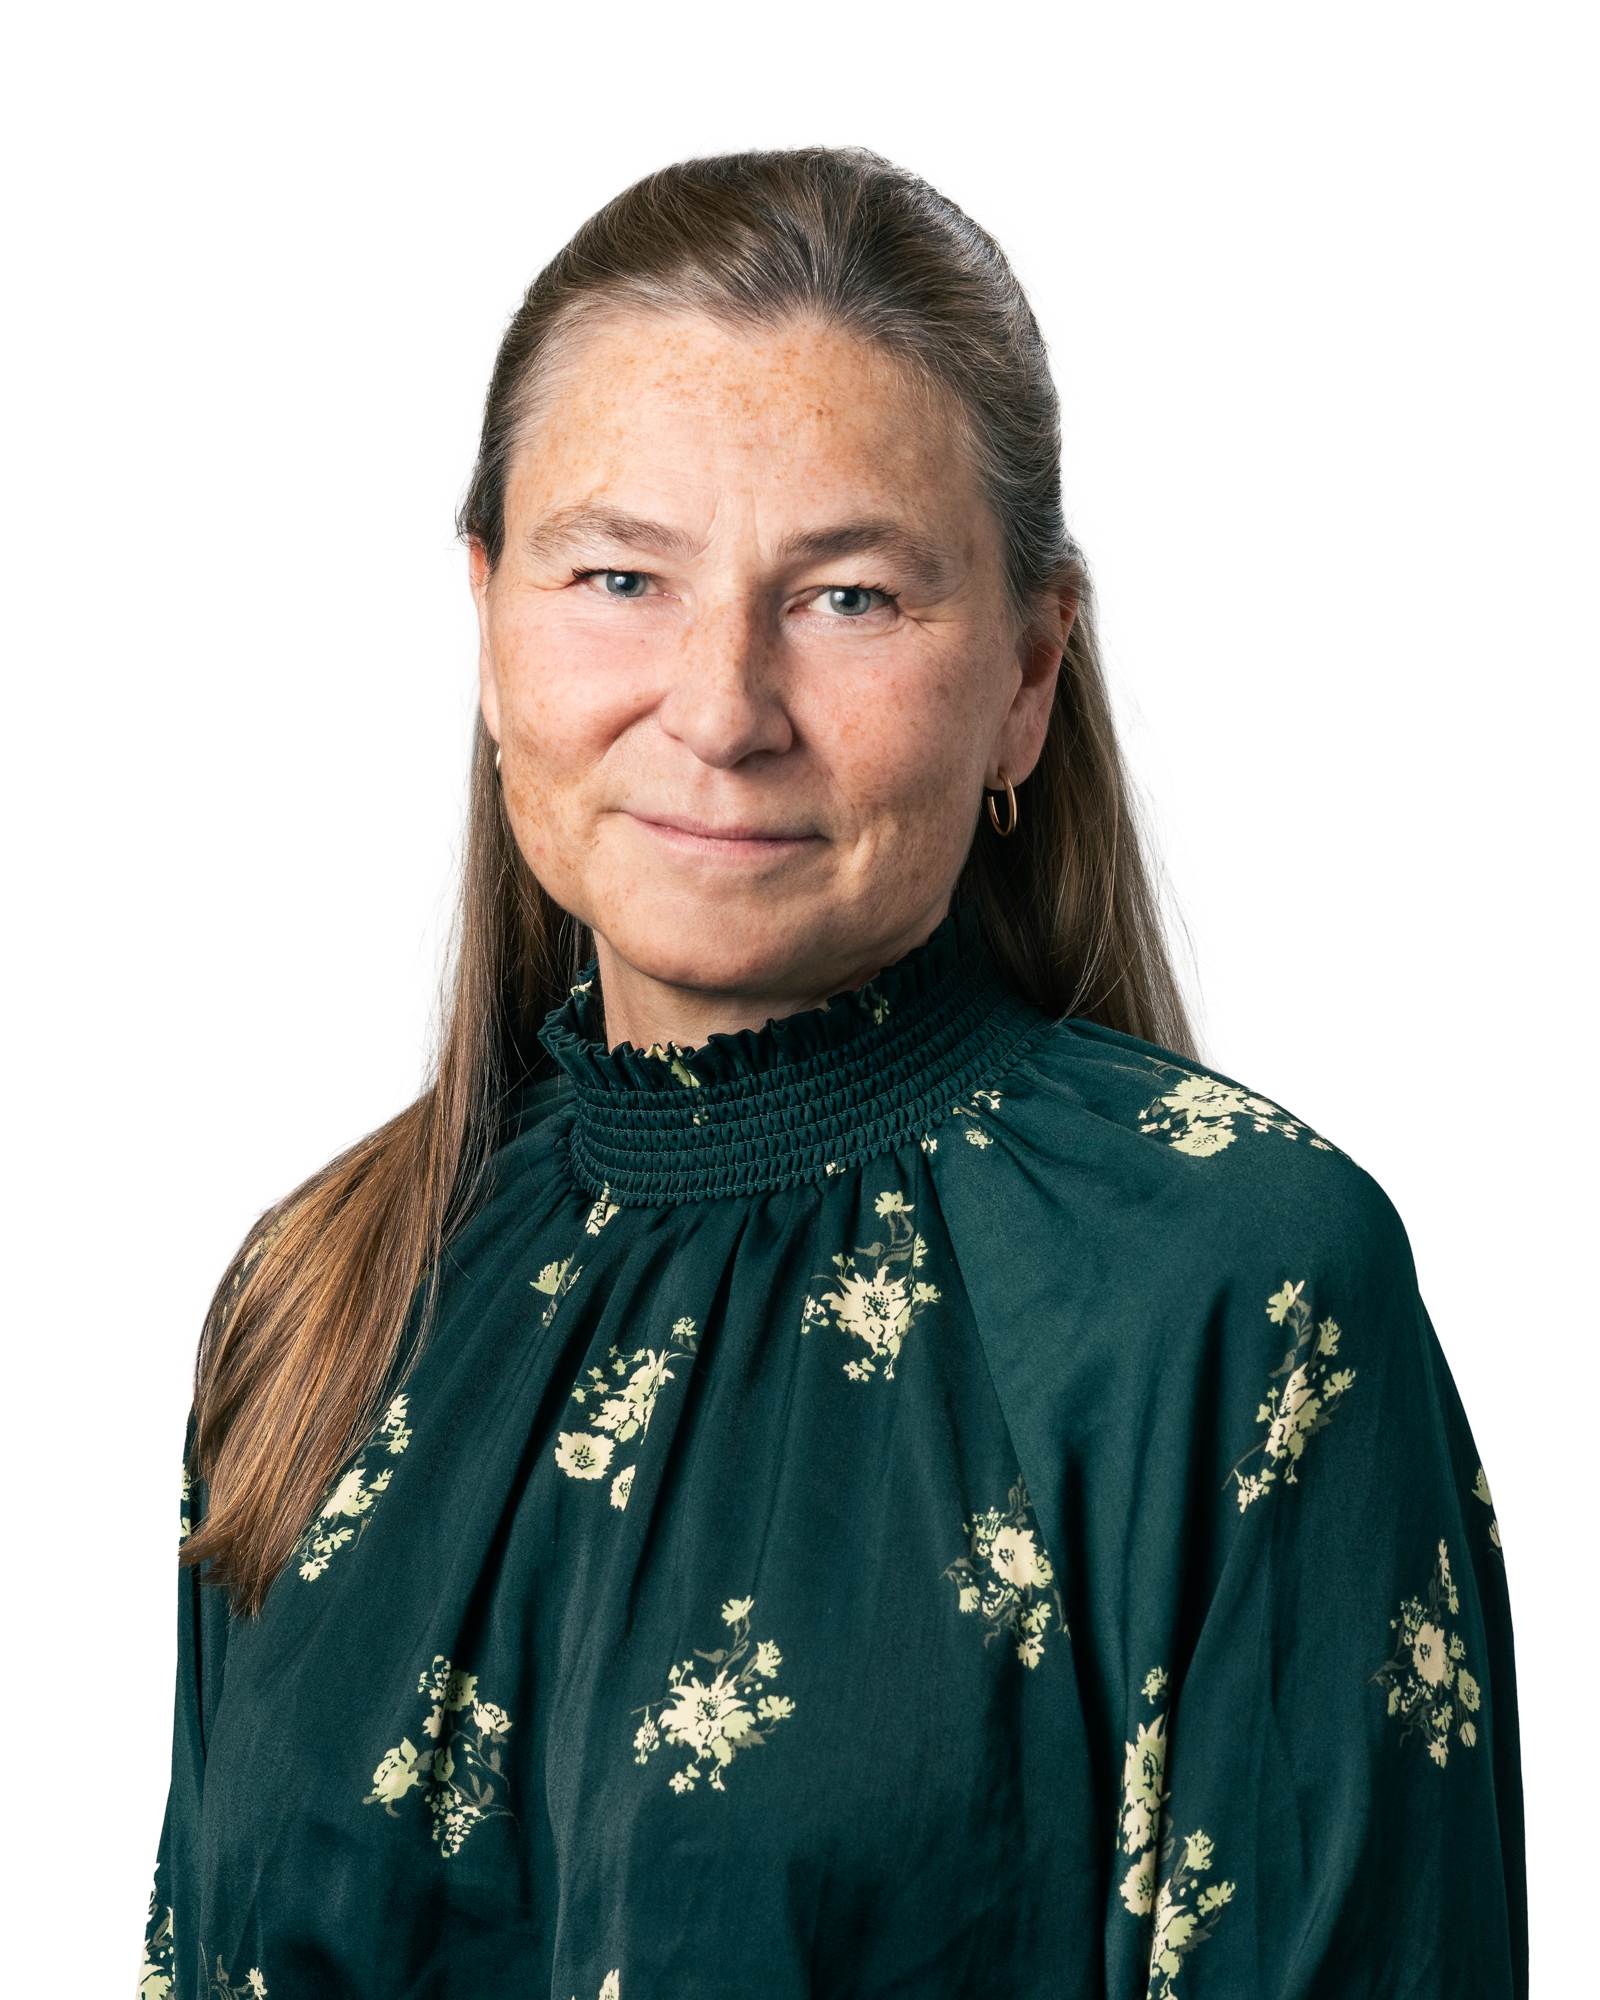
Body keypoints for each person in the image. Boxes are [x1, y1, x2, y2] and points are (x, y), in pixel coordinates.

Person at [140, 148, 1525, 2000]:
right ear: (488, 620)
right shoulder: (318, 1295)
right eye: (619, 576)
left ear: (1027, 671)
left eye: (850, 597)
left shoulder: (1239, 1288)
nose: (722, 709)